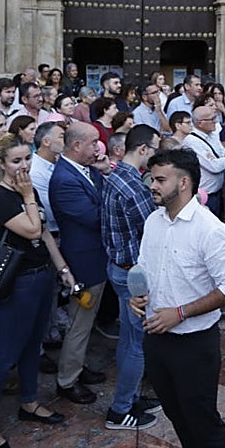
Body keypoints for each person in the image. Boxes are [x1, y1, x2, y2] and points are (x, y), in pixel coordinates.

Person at [130, 148, 225, 448]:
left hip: (195, 344)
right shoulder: (153, 221)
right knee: (177, 416)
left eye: (160, 179)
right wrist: (136, 299)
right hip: (156, 336)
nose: (153, 185)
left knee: (203, 421)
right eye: (152, 178)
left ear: (184, 183)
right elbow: (146, 269)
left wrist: (180, 312)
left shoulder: (209, 229)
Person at [0, 137, 69, 448]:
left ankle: (29, 402)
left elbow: (44, 232)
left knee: (34, 345)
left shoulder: (25, 190)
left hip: (41, 275)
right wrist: (29, 195)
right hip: (17, 283)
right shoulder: (1, 197)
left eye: (26, 159)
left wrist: (63, 268)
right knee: (6, 353)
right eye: (16, 161)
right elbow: (30, 230)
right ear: (1, 163)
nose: (24, 166)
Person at [100, 125, 164, 430]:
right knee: (136, 343)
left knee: (130, 339)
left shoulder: (118, 176)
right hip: (131, 274)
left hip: (119, 267)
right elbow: (153, 226)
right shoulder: (132, 186)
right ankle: (121, 409)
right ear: (142, 149)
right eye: (154, 150)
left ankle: (133, 395)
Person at [50, 121, 110, 405]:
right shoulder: (64, 180)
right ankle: (67, 380)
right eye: (93, 142)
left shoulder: (83, 171)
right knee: (79, 322)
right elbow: (96, 217)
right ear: (76, 146)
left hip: (96, 255)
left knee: (86, 321)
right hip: (83, 261)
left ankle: (77, 366)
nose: (98, 147)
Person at [183, 106, 225, 217]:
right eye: (212, 119)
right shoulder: (192, 142)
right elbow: (213, 166)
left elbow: (223, 152)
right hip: (206, 194)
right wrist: (224, 160)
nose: (216, 121)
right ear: (200, 123)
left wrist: (222, 158)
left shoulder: (212, 135)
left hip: (218, 191)